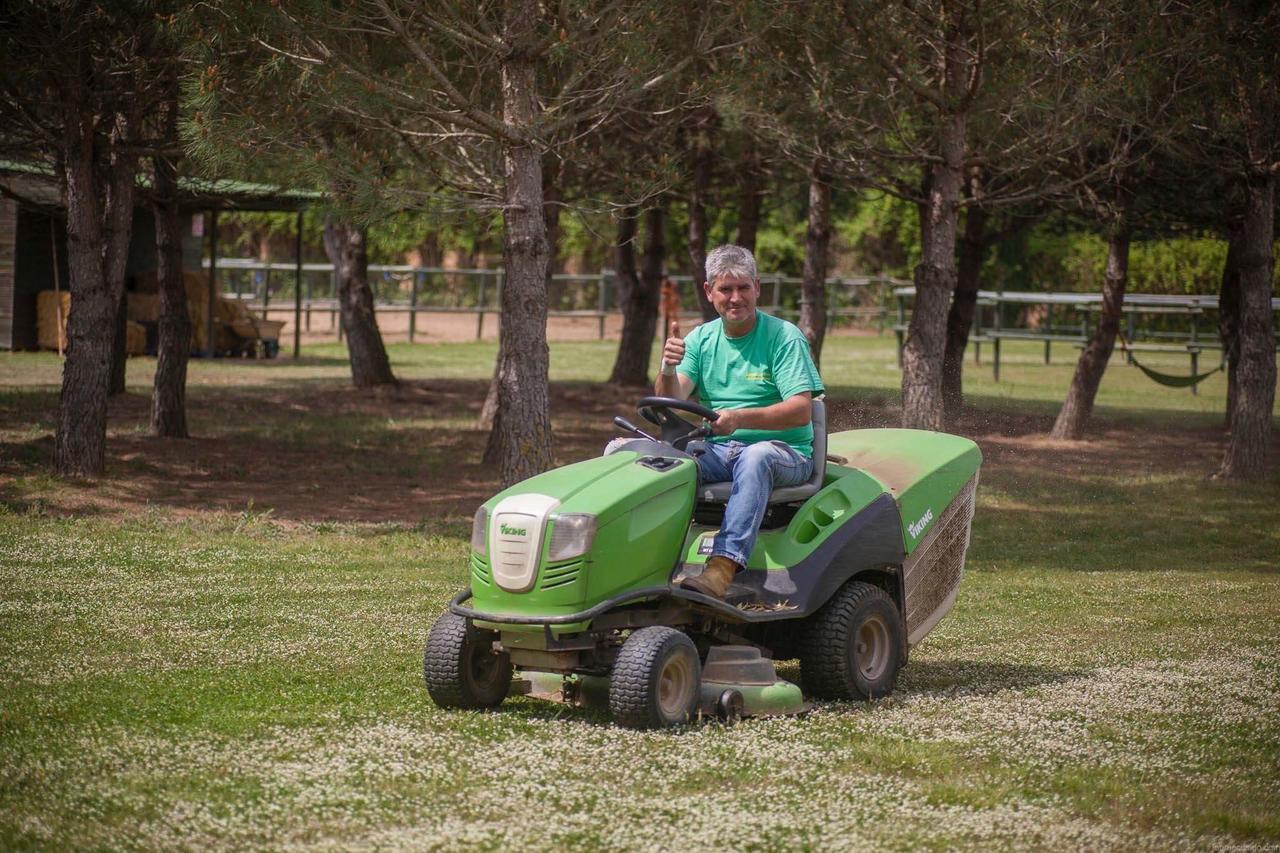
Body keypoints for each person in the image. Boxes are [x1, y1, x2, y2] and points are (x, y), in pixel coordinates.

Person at [657, 244, 824, 600]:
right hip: (719, 450)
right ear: (709, 292)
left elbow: (800, 410)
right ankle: (646, 560)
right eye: (725, 289)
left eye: (743, 288)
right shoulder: (700, 339)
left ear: (757, 288)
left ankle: (721, 569)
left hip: (785, 453)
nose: (736, 298)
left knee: (756, 456)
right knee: (647, 458)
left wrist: (740, 418)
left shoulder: (783, 337)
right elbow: (672, 398)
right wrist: (668, 367)